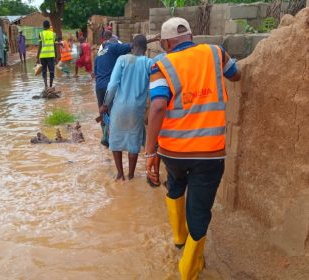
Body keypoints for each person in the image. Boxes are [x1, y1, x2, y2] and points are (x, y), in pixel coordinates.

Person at [145, 17, 241, 280]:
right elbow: (236, 74)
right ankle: (189, 271)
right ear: (190, 35)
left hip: (172, 152)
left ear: (165, 43)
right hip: (209, 153)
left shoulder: (160, 64)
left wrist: (150, 152)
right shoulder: (215, 52)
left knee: (175, 186)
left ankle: (178, 239)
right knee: (199, 209)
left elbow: (158, 106)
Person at [99, 35, 153, 181]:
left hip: (119, 107)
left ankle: (120, 174)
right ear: (146, 49)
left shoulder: (122, 59)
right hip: (137, 109)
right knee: (134, 141)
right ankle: (131, 175)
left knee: (115, 139)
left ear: (132, 46)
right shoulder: (149, 62)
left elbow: (113, 85)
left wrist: (105, 104)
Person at [36, 20, 59, 90]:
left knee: (44, 71)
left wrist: (37, 57)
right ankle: (51, 86)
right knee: (52, 71)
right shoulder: (53, 34)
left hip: (43, 56)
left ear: (43, 26)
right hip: (51, 55)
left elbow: (40, 46)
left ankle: (46, 86)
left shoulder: (40, 34)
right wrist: (56, 56)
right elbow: (55, 46)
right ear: (49, 26)